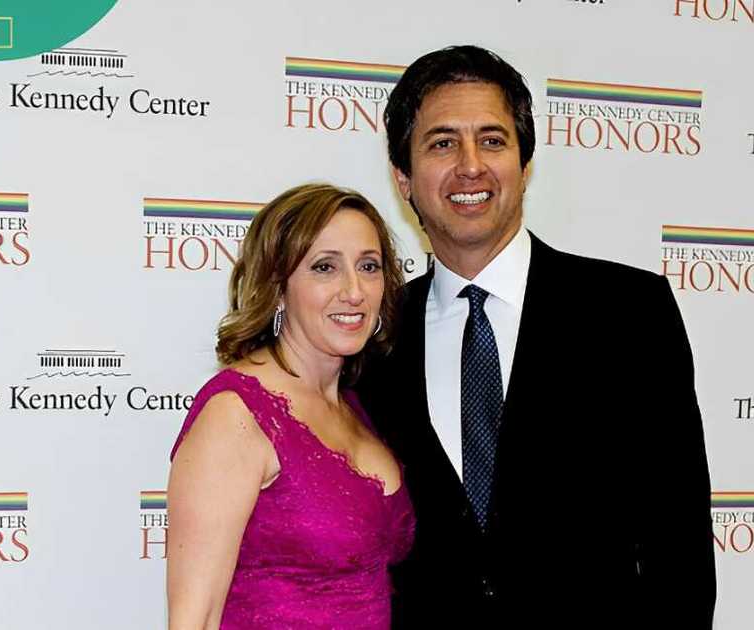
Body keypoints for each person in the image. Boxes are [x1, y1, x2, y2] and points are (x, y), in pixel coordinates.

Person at [358, 45, 716, 627]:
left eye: (493, 140)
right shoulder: (373, 339)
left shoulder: (630, 313)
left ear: (525, 166)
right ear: (403, 177)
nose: (469, 165)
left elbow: (680, 548)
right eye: (442, 143)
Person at [166, 183, 414, 629]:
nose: (354, 291)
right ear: (277, 287)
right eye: (325, 268)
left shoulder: (356, 407)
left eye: (369, 266)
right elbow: (194, 620)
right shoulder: (237, 414)